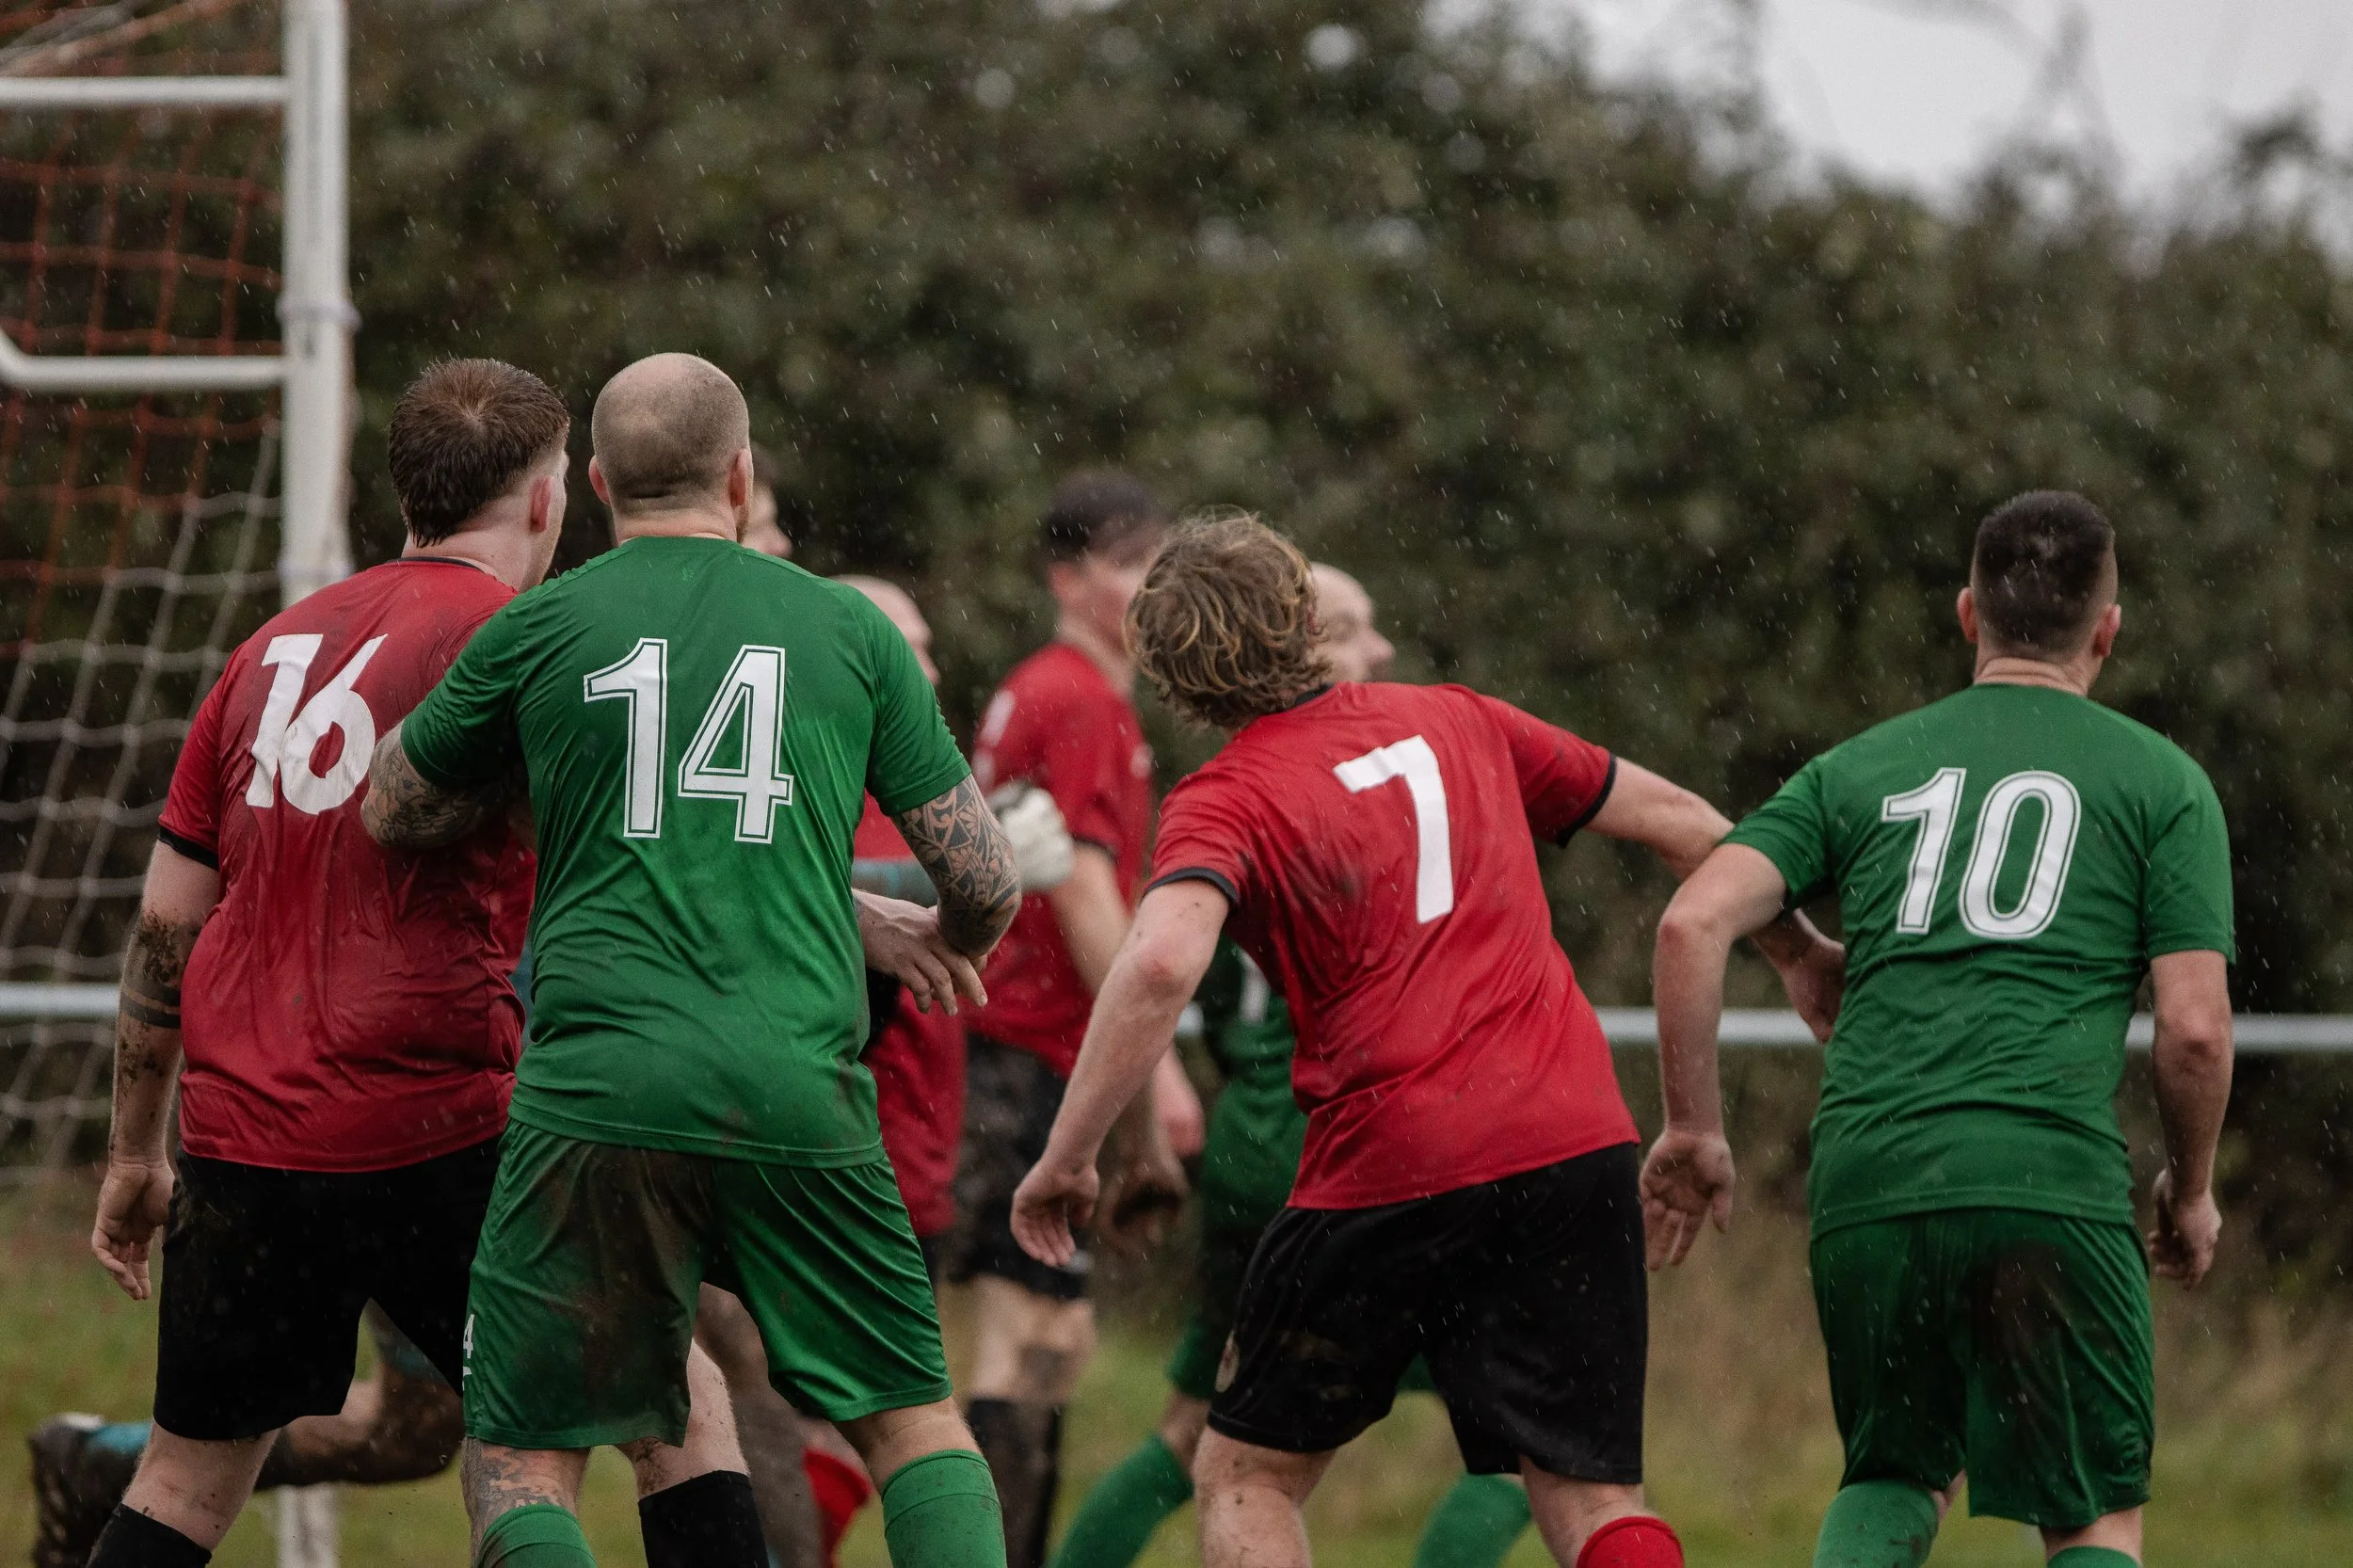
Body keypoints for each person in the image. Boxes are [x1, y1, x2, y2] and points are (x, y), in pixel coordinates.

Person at [1010, 516, 1843, 1568]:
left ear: (1173, 679)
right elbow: (1683, 821)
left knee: (1245, 1472)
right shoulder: (1457, 717)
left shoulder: (1222, 797)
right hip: (1571, 1140)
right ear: (1308, 619)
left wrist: (1071, 1153)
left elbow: (1162, 961)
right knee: (1591, 1493)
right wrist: (1797, 947)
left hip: (1388, 1162)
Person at [76, 359, 767, 1568]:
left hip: (239, 1134)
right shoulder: (525, 646)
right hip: (433, 1124)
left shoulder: (268, 651)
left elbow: (167, 925)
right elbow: (650, 864)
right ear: (552, 501)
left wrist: (136, 1149)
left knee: (186, 1479)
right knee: (666, 1404)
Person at [361, 352, 1025, 1568]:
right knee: (912, 1421)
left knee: (521, 1452)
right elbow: (984, 876)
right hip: (792, 1080)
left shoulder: (544, 623)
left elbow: (392, 806)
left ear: (599, 482)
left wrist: (540, 775)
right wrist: (943, 944)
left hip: (596, 1086)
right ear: (742, 472)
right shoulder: (849, 625)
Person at [1641, 491, 2235, 1568]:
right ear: (2107, 629)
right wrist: (2188, 1188)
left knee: (1893, 1469)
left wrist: (1695, 1126)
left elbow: (1691, 922)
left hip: (1872, 1176)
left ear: (1967, 615)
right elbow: (2191, 1031)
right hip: (2045, 1172)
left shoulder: (1861, 765)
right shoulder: (2163, 783)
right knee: (2091, 1507)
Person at [1050, 565, 1531, 1568]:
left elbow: (1194, 987)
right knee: (1528, 1446)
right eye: (1352, 630)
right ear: (1298, 648)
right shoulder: (1385, 785)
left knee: (1200, 1437)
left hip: (1252, 1144)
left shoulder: (1217, 805)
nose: (1380, 651)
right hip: (1363, 1149)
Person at [950, 469, 1202, 1568]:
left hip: (1009, 1048)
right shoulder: (1081, 697)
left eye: (1159, 561)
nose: (1149, 586)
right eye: (1126, 564)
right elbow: (1089, 892)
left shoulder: (1043, 687)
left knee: (1038, 1336)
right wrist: (1161, 1066)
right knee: (1030, 1339)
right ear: (1066, 578)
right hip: (1027, 1056)